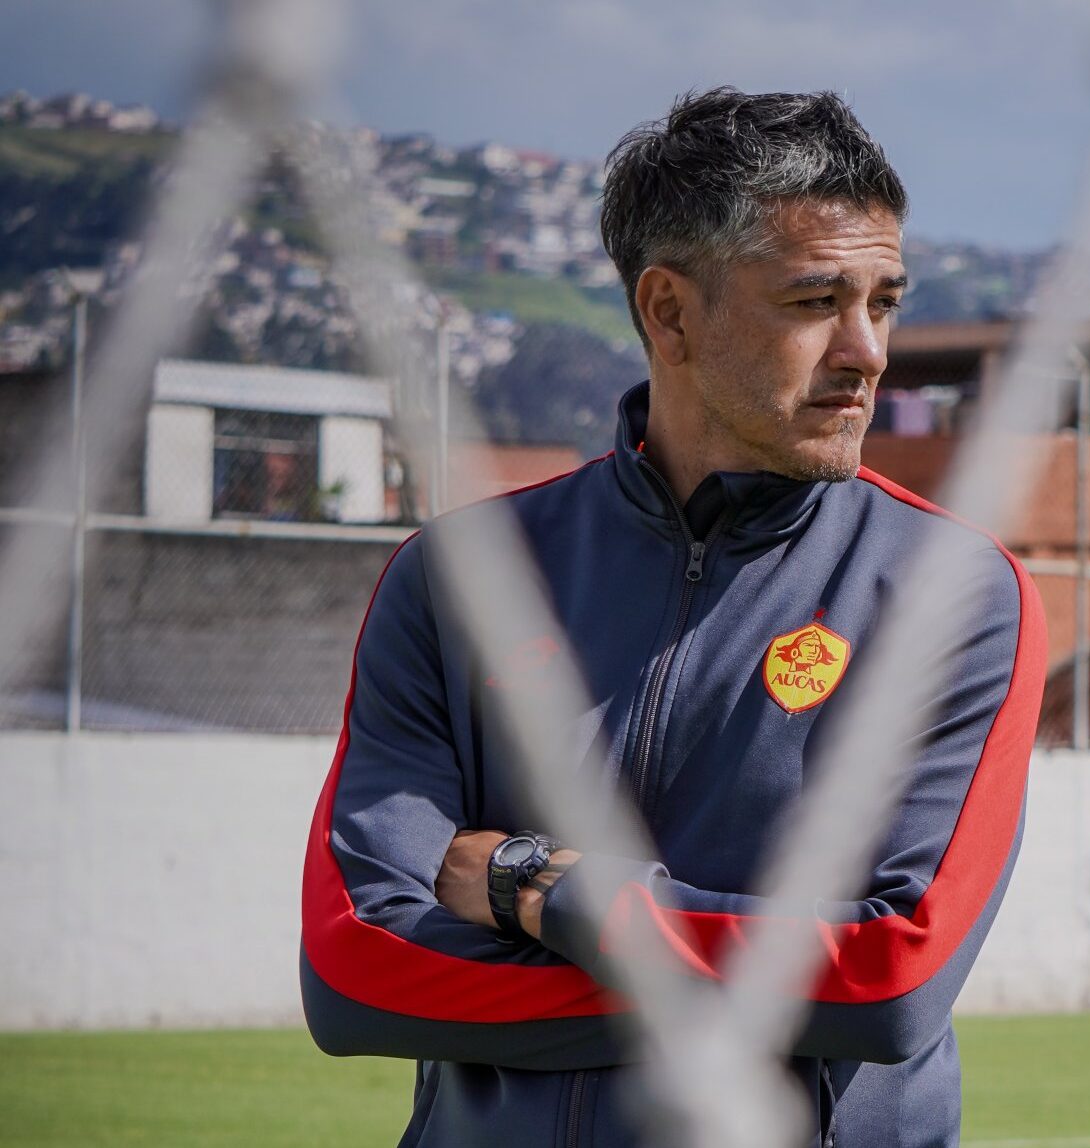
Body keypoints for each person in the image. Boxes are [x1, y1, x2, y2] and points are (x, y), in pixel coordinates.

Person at [300, 87, 1045, 1147]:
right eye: (814, 301)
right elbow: (357, 973)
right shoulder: (459, 578)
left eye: (883, 302)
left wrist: (541, 892)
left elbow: (891, 982)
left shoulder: (951, 593)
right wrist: (760, 985)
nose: (867, 351)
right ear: (669, 312)